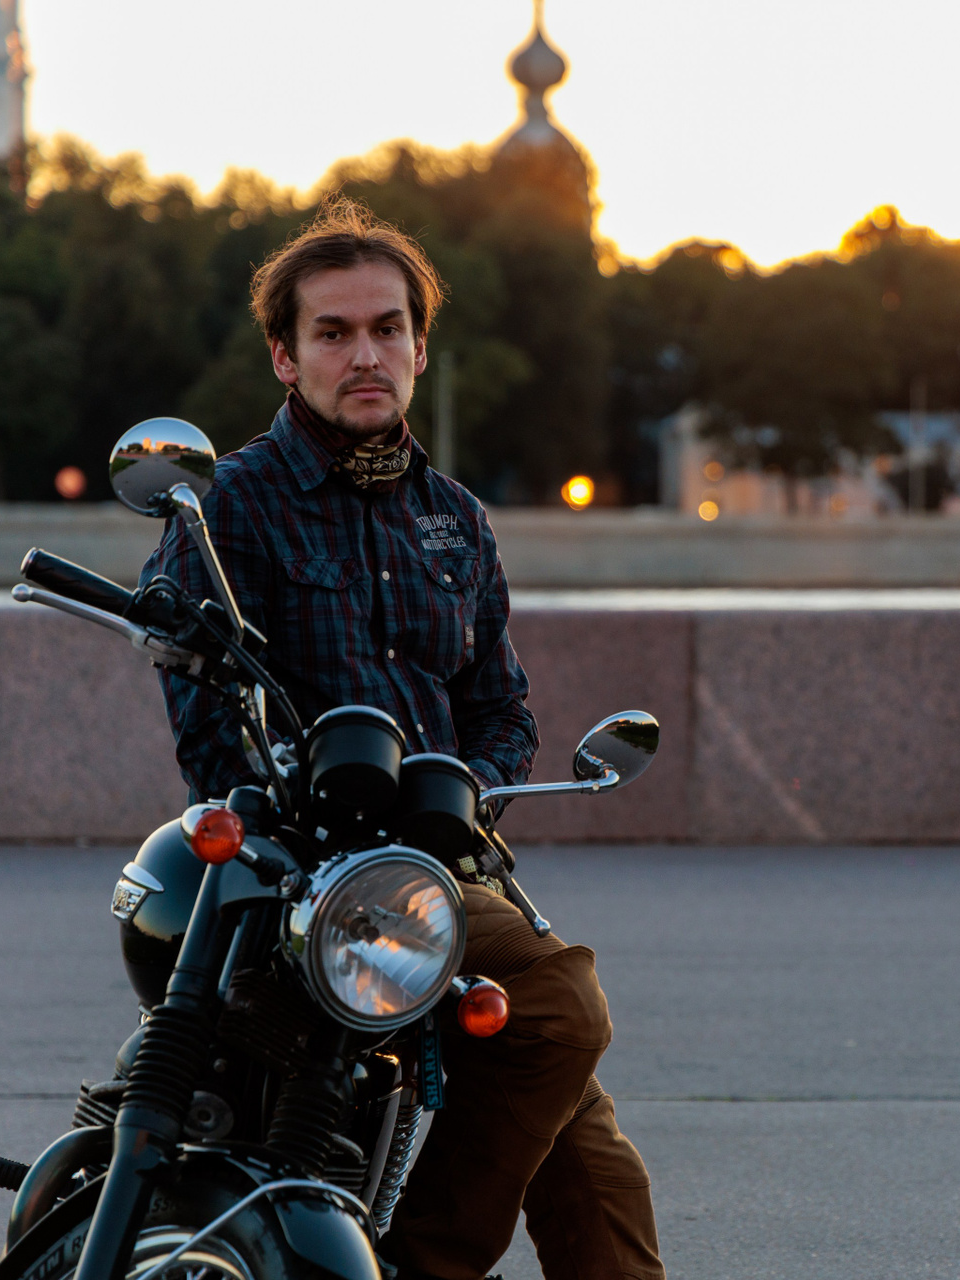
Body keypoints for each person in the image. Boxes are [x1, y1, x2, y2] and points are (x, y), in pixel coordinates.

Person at [141, 197, 665, 1280]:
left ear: (421, 348)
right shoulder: (230, 506)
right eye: (333, 332)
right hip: (310, 877)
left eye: (388, 328)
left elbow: (503, 707)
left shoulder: (454, 518)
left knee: (590, 1164)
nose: (365, 355)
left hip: (443, 870)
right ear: (285, 356)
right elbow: (207, 723)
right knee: (562, 1011)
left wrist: (461, 797)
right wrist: (306, 824)